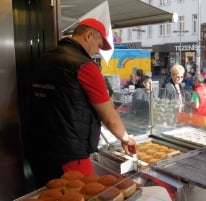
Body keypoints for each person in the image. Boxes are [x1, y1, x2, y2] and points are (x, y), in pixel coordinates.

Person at [25, 18, 136, 188]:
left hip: (37, 148)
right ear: (89, 35)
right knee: (85, 193)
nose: (97, 52)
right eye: (99, 45)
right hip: (70, 155)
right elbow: (110, 118)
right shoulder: (85, 66)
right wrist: (125, 138)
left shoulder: (44, 59)